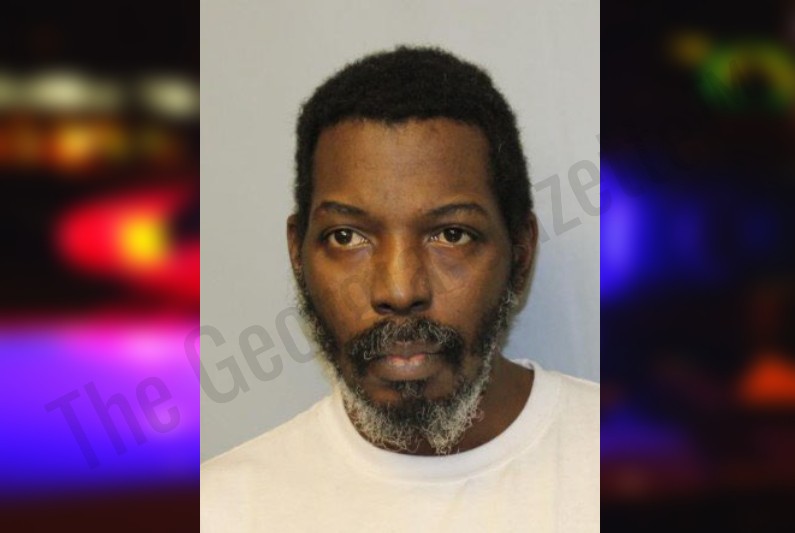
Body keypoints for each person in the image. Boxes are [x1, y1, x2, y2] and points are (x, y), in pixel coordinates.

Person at [201, 46, 599, 532]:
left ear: (520, 253)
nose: (399, 289)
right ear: (298, 256)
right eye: (346, 237)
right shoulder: (221, 510)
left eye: (451, 234)